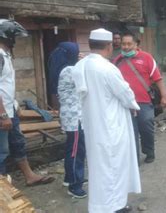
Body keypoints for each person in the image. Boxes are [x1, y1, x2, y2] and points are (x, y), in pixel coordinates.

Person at [72, 28, 141, 212]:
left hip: (93, 125)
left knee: (98, 168)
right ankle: (114, 207)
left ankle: (101, 206)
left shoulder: (81, 65)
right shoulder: (107, 68)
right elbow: (125, 93)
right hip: (111, 125)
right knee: (114, 166)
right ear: (110, 46)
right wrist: (134, 105)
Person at [0, 19, 56, 186]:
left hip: (9, 110)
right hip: (2, 114)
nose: (16, 40)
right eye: (14, 37)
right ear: (7, 36)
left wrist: (14, 104)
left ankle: (30, 176)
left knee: (18, 144)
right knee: (2, 152)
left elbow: (5, 85)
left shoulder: (5, 55)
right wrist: (3, 114)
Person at [113, 32, 166, 164]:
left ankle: (149, 151)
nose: (126, 47)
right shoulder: (117, 61)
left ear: (136, 44)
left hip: (144, 101)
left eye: (129, 44)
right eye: (123, 44)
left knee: (146, 126)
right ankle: (134, 159)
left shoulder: (147, 58)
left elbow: (158, 79)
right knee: (130, 131)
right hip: (125, 103)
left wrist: (164, 97)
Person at [54, 43, 87, 198]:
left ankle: (70, 178)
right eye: (77, 53)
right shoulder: (70, 70)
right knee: (76, 151)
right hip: (74, 118)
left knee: (73, 149)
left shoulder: (65, 68)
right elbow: (85, 82)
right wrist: (84, 62)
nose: (79, 55)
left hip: (72, 116)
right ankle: (74, 185)